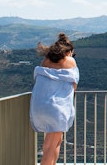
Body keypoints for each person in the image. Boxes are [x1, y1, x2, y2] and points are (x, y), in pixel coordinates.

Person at [30, 33, 79, 165]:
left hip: (39, 106)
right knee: (50, 147)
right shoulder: (70, 61)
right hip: (56, 108)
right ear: (68, 51)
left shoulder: (45, 61)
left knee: (57, 141)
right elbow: (74, 85)